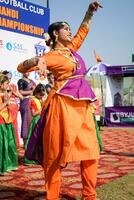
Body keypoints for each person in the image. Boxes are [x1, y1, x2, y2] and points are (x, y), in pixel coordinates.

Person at [17, 1, 102, 199]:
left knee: (91, 152)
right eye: (65, 29)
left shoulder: (72, 49)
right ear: (55, 33)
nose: (70, 32)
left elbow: (82, 31)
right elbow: (21, 67)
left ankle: (90, 195)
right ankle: (52, 196)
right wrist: (37, 60)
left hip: (83, 107)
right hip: (61, 107)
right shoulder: (51, 56)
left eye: (70, 29)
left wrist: (89, 12)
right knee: (55, 155)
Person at [0, 74, 18, 175]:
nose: (8, 85)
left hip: (8, 120)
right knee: (2, 145)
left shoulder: (6, 93)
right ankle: (2, 167)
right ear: (1, 85)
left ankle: (9, 165)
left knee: (9, 144)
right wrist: (5, 102)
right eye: (6, 83)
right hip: (1, 121)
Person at [23, 83, 46, 165]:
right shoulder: (33, 100)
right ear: (36, 93)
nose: (42, 96)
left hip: (41, 121)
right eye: (40, 95)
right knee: (33, 140)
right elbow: (33, 113)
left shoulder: (41, 100)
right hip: (36, 122)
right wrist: (42, 109)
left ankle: (38, 157)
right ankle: (29, 158)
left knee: (40, 140)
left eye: (43, 95)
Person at [2, 70, 23, 149]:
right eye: (7, 78)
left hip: (14, 109)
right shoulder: (2, 88)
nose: (9, 80)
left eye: (10, 78)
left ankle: (14, 147)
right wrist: (8, 92)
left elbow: (21, 97)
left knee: (14, 127)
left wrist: (15, 93)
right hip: (5, 111)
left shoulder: (13, 86)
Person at [17, 72, 36, 145]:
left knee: (33, 122)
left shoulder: (32, 81)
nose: (27, 72)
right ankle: (26, 145)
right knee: (25, 123)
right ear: (22, 71)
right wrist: (31, 91)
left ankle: (32, 144)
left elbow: (35, 91)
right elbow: (20, 92)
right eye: (25, 70)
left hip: (33, 102)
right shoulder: (21, 81)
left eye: (28, 70)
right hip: (25, 103)